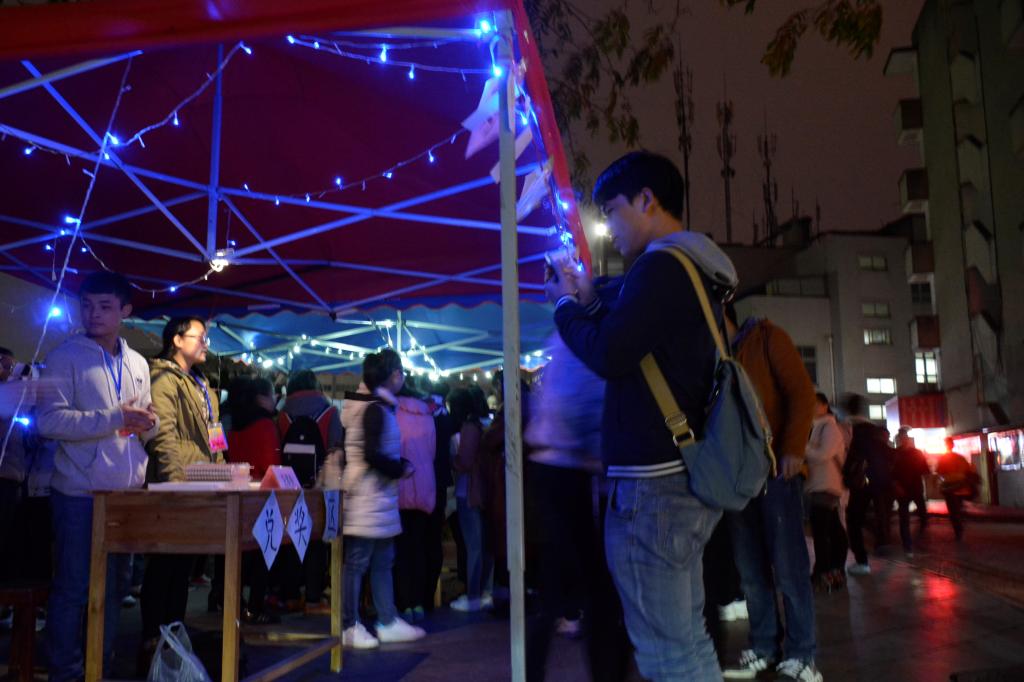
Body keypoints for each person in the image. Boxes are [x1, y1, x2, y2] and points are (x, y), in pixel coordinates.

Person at [546, 151, 737, 681]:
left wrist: (565, 307)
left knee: (664, 652)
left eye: (611, 210)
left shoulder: (662, 266)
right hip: (680, 479)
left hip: (653, 489)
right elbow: (632, 339)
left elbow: (610, 354)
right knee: (687, 642)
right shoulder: (694, 268)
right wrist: (589, 301)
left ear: (647, 200)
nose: (608, 226)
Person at [37, 272, 158, 681]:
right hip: (79, 492)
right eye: (86, 305)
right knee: (74, 587)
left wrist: (149, 423)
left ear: (125, 310)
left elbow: (144, 417)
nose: (93, 314)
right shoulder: (63, 356)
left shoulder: (138, 362)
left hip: (125, 493)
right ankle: (66, 672)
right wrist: (115, 417)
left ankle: (99, 666)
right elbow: (49, 422)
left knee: (115, 589)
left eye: (105, 306)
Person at [721, 307, 820, 682]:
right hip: (738, 478)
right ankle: (765, 646)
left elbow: (801, 392)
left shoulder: (765, 338)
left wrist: (792, 448)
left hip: (777, 469)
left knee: (789, 568)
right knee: (750, 571)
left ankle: (803, 654)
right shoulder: (712, 355)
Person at [141, 317, 222, 656]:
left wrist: (221, 473)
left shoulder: (203, 385)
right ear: (176, 340)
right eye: (199, 337)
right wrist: (174, 485)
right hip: (175, 486)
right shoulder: (162, 378)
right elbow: (164, 436)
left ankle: (174, 637)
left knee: (183, 567)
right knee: (164, 564)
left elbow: (216, 438)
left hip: (200, 484)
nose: (205, 344)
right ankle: (153, 640)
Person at [340, 349, 425, 649]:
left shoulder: (377, 406)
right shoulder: (375, 408)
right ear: (393, 375)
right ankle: (350, 625)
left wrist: (397, 466)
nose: (402, 377)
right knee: (360, 562)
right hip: (367, 497)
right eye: (400, 372)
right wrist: (399, 468)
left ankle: (387, 619)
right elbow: (371, 454)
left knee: (381, 560)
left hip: (376, 498)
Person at [278, 369, 344, 614]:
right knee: (316, 540)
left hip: (288, 486)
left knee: (291, 538)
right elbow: (335, 448)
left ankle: (290, 596)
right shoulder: (330, 412)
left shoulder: (282, 414)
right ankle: (314, 599)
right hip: (319, 487)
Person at [226, 376, 280, 624]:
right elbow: (271, 465)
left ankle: (228, 602)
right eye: (272, 394)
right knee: (261, 555)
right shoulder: (266, 424)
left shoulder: (231, 421)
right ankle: (255, 607)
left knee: (234, 555)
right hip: (261, 496)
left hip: (235, 494)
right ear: (261, 397)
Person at [393, 383, 437, 622]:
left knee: (400, 548)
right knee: (419, 546)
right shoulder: (428, 416)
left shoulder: (392, 413)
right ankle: (418, 602)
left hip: (400, 483)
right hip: (424, 484)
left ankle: (403, 603)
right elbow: (431, 451)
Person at [448, 387, 494, 612]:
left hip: (468, 491)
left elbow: (464, 461)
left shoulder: (469, 427)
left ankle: (473, 595)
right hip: (486, 491)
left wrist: (452, 460)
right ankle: (486, 591)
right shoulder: (487, 425)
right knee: (485, 545)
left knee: (473, 546)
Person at [841, 393, 894, 576]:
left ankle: (862, 562)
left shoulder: (849, 428)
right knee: (879, 514)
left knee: (853, 520)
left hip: (860, 482)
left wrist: (845, 475)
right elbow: (889, 455)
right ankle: (882, 542)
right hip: (881, 481)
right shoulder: (875, 430)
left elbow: (847, 456)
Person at [804, 392, 849, 591]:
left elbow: (824, 454)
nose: (811, 408)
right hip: (818, 485)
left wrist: (802, 446)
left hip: (827, 485)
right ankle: (833, 569)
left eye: (814, 404)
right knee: (830, 528)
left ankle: (823, 571)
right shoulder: (816, 426)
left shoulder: (829, 427)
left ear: (824, 405)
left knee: (823, 530)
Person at [891, 428, 930, 555]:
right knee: (910, 516)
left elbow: (891, 472)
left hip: (908, 488)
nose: (903, 440)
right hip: (911, 488)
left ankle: (910, 545)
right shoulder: (912, 453)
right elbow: (925, 470)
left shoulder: (896, 453)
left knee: (907, 517)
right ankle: (909, 545)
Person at [936, 437, 977, 541]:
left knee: (953, 510)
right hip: (960, 486)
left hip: (949, 488)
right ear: (953, 445)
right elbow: (968, 470)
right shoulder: (960, 458)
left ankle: (958, 529)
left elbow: (939, 472)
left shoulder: (944, 458)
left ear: (946, 445)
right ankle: (960, 525)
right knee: (958, 506)